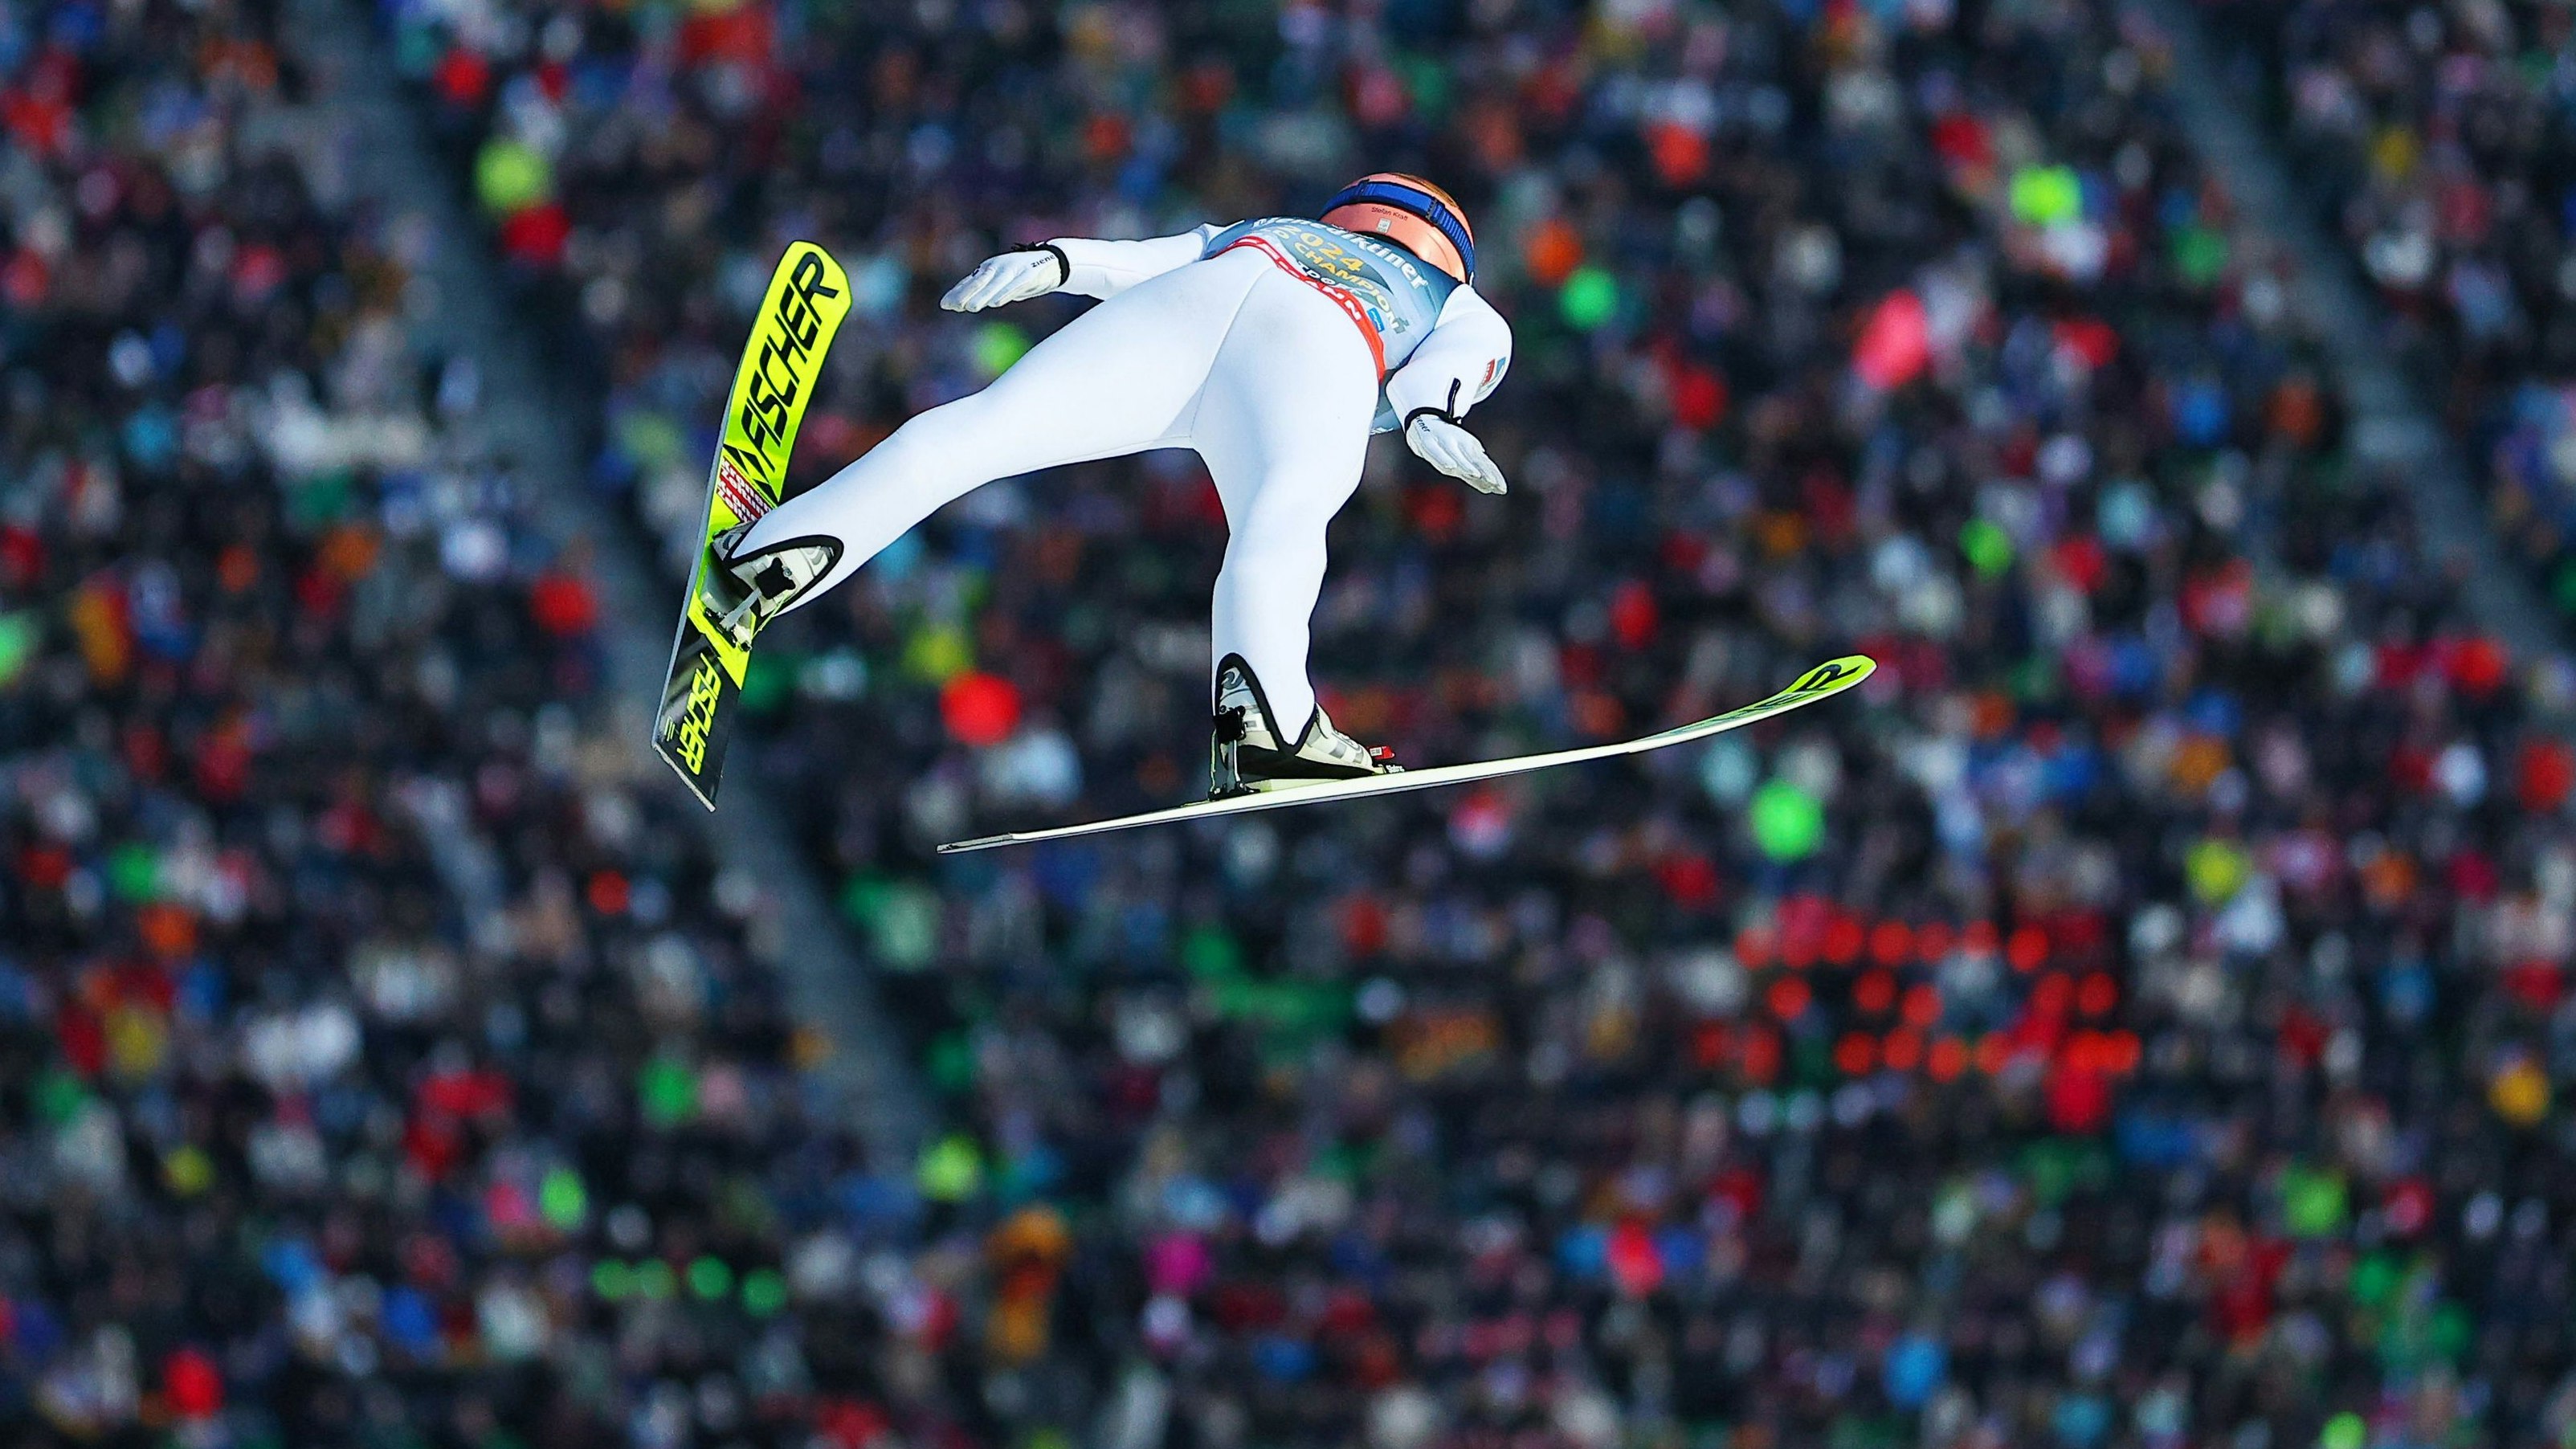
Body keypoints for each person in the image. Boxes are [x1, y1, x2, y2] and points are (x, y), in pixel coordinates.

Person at [716, 173, 1514, 794]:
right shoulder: (1454, 295)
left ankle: (772, 554)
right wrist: (1428, 417)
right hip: (1333, 342)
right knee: (1282, 525)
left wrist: (1054, 260)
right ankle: (1266, 725)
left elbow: (1144, 259)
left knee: (984, 429)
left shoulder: (1275, 228)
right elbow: (1456, 360)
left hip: (1199, 297)